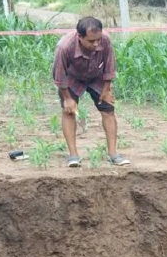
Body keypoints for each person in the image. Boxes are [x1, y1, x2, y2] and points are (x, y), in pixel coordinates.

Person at [52, 16, 130, 168]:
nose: (96, 44)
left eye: (98, 40)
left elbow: (109, 64)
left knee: (108, 109)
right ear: (79, 37)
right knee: (68, 112)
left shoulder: (105, 40)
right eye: (91, 41)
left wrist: (107, 89)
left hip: (96, 76)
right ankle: (73, 156)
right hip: (72, 78)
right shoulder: (64, 47)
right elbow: (59, 75)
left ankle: (113, 154)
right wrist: (67, 98)